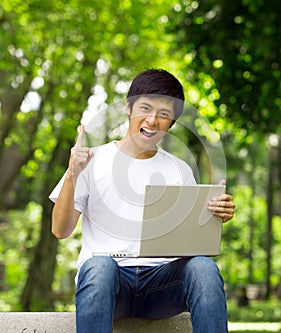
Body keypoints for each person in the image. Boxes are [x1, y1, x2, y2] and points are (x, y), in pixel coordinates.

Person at [50, 69, 235, 333]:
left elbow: (192, 241)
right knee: (99, 266)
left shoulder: (179, 169)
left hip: (161, 286)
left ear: (172, 123)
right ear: (128, 107)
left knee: (204, 268)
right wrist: (72, 174)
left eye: (164, 114)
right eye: (145, 108)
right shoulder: (90, 161)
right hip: (110, 286)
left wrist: (214, 214)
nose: (152, 120)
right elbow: (60, 230)